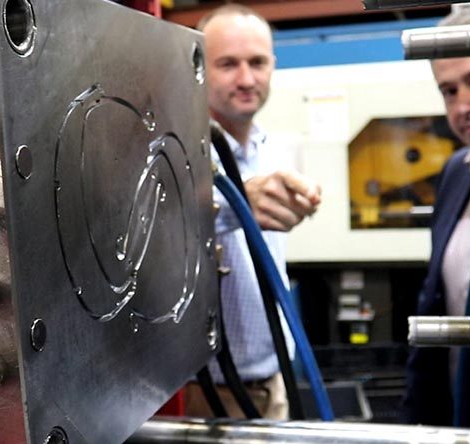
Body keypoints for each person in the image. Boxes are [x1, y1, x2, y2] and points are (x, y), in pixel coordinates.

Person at [183, 4, 322, 420]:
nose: (246, 79)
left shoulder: (268, 149)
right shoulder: (173, 154)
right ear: (199, 68)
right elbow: (149, 232)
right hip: (206, 391)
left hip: (274, 378)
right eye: (228, 64)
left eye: (257, 62)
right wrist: (234, 208)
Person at [402, 3, 470, 428]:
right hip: (462, 413)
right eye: (449, 91)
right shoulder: (456, 173)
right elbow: (435, 298)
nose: (463, 106)